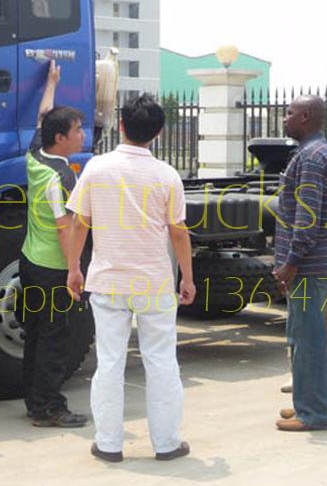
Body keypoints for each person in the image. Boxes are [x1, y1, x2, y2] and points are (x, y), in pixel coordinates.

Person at [65, 94, 196, 463]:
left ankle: (108, 444)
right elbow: (179, 232)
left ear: (121, 124)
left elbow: (80, 222)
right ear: (158, 132)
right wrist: (187, 277)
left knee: (109, 362)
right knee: (161, 361)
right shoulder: (167, 176)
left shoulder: (96, 169)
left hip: (107, 281)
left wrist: (74, 268)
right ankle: (167, 443)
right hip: (153, 283)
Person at [19, 60, 88, 428]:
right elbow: (66, 227)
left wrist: (51, 83)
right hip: (53, 268)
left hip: (30, 261)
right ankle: (49, 407)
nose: (82, 135)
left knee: (36, 334)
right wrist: (75, 270)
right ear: (60, 138)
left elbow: (42, 116)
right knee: (55, 338)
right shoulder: (60, 174)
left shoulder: (36, 155)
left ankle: (34, 400)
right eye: (77, 130)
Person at [271, 96, 327, 431]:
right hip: (311, 263)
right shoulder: (315, 152)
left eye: (289, 113)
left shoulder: (312, 157)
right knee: (302, 335)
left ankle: (314, 414)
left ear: (306, 117)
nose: (284, 119)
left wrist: (291, 261)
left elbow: (307, 216)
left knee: (310, 339)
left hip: (310, 265)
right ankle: (304, 402)